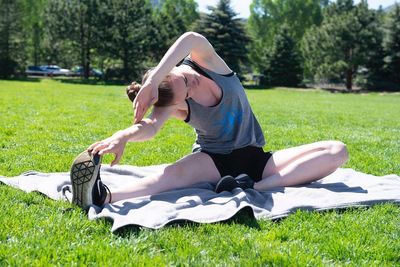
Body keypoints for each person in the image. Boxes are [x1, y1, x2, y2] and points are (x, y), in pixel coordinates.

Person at [70, 32, 349, 210]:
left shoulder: (207, 63)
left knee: (338, 150)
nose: (191, 84)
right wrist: (123, 136)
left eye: (184, 79)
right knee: (167, 177)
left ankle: (251, 187)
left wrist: (154, 80)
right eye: (186, 93)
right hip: (212, 159)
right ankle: (102, 196)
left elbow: (190, 38)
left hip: (257, 160)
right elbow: (151, 126)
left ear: (171, 69)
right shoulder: (176, 101)